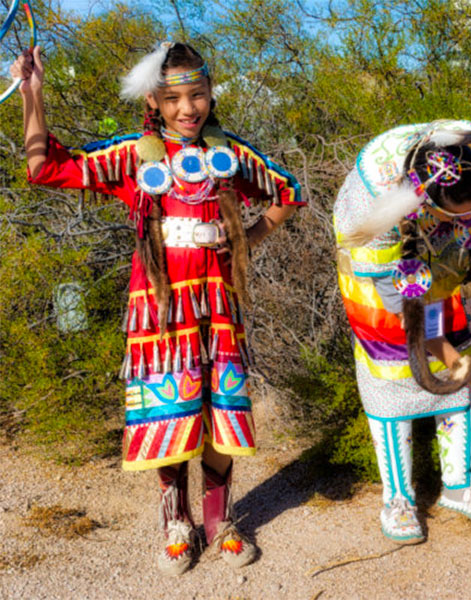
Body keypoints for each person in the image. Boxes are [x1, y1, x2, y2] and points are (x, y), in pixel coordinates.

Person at [13, 42, 304, 574]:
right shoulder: (133, 155)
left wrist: (246, 239)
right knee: (170, 413)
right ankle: (177, 521)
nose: (187, 109)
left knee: (220, 411)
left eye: (197, 95)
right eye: (174, 99)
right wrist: (32, 93)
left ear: (212, 94)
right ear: (154, 99)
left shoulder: (228, 155)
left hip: (219, 302)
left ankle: (220, 520)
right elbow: (44, 167)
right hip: (160, 307)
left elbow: (289, 191)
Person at [333, 120, 471, 544]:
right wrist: (469, 373)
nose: (470, 217)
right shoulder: (375, 203)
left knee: (460, 340)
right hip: (384, 278)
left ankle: (459, 486)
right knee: (394, 377)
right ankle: (399, 497)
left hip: (445, 260)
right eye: (457, 211)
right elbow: (406, 312)